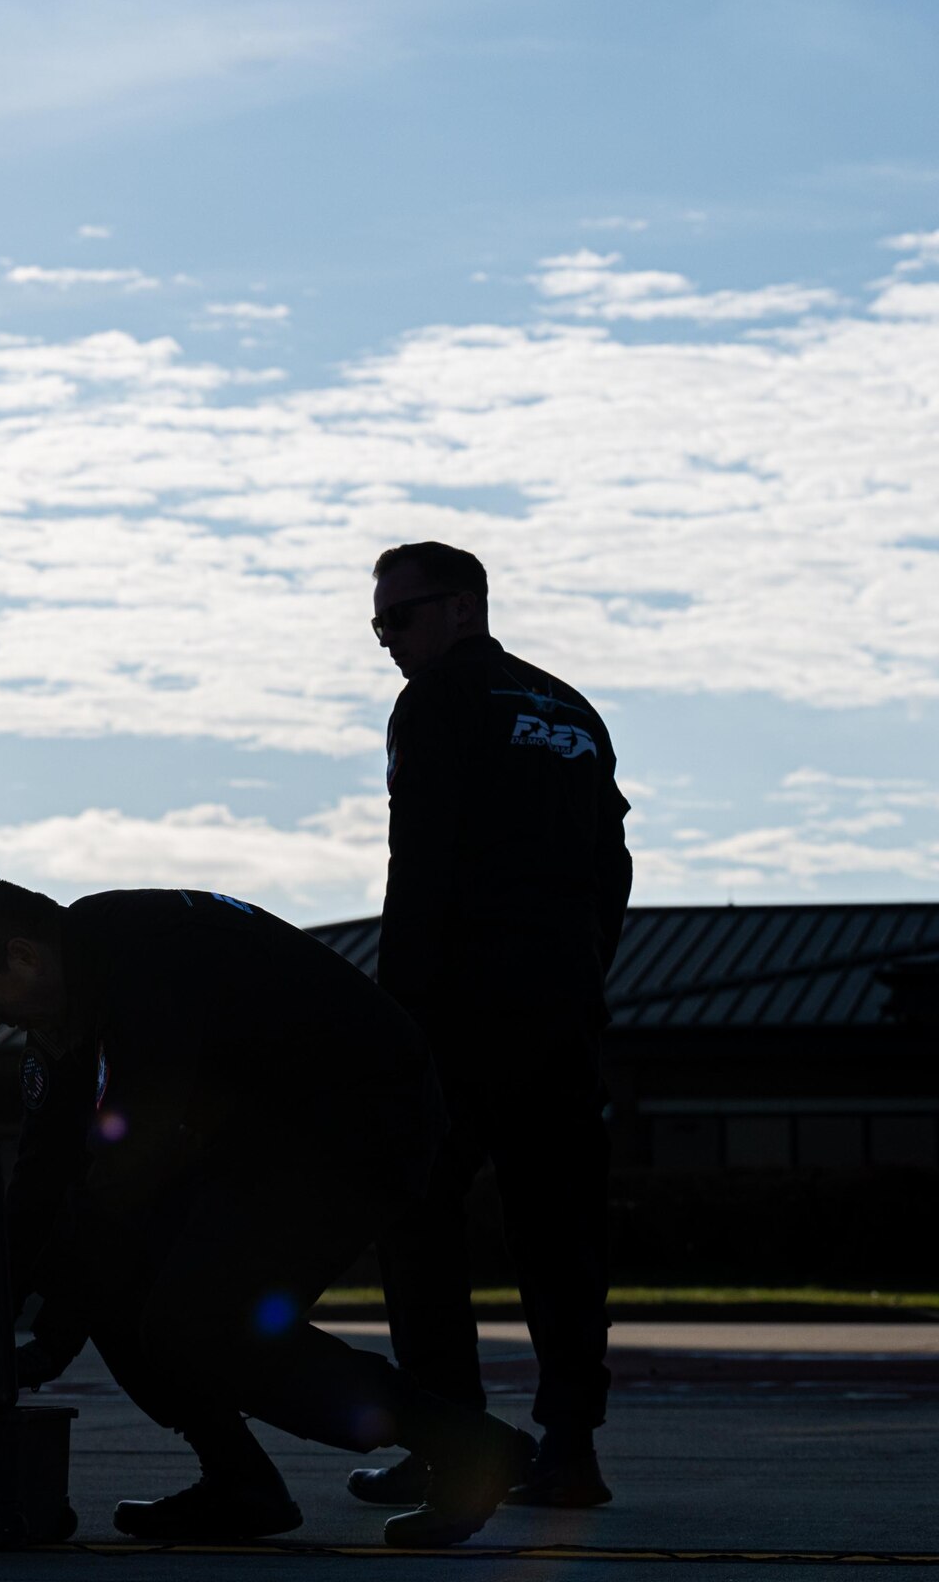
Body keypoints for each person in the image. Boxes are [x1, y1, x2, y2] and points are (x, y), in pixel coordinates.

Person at [0, 876, 539, 1549]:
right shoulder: (70, 1004)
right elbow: (44, 1182)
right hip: (265, 1135)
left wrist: (50, 1339)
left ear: (24, 957)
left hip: (357, 1121)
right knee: (124, 1291)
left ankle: (467, 1448)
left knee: (205, 1322)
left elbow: (132, 1168)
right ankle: (239, 1483)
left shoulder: (147, 961)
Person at [353, 540, 632, 1511]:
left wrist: (399, 1021)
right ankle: (567, 1448)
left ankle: (450, 1443)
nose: (385, 637)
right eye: (377, 620)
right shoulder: (569, 711)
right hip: (558, 1015)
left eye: (400, 616)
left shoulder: (434, 703)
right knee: (559, 1231)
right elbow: (612, 868)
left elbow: (415, 867)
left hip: (457, 1014)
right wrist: (576, 970)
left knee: (416, 1219)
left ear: (462, 607)